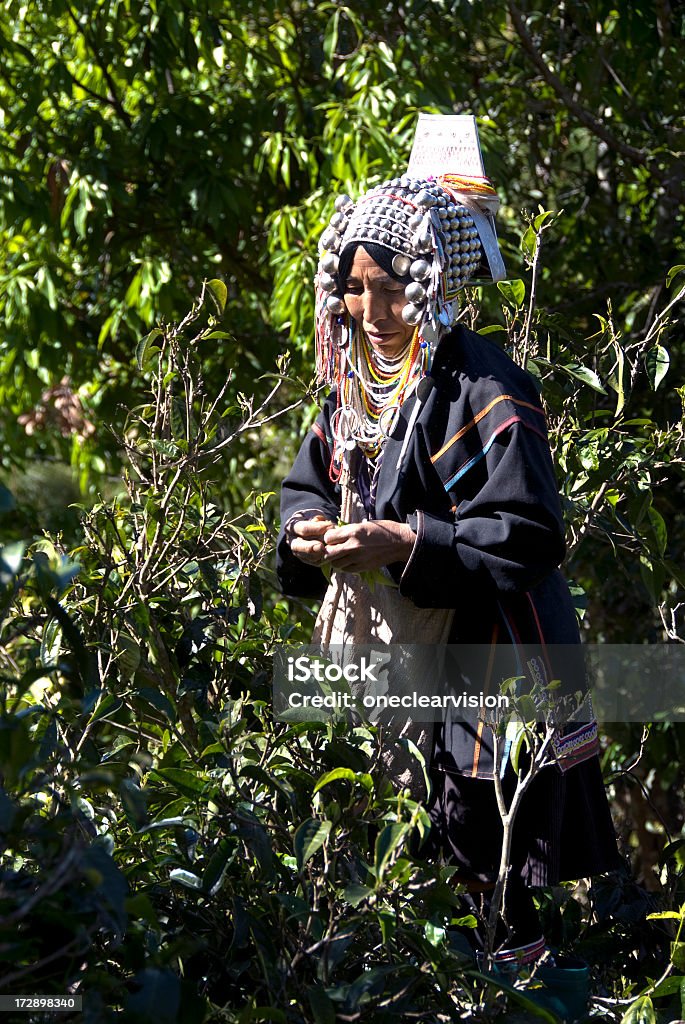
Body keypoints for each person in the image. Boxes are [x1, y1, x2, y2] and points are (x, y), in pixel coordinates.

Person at [276, 157, 618, 979]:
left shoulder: (487, 385)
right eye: (355, 290)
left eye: (392, 287)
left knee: (482, 856)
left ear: (431, 281)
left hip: (492, 658)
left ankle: (520, 998)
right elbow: (303, 484)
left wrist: (407, 542)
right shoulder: (352, 385)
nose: (374, 311)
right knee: (386, 840)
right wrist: (306, 528)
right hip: (395, 661)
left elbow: (530, 534)